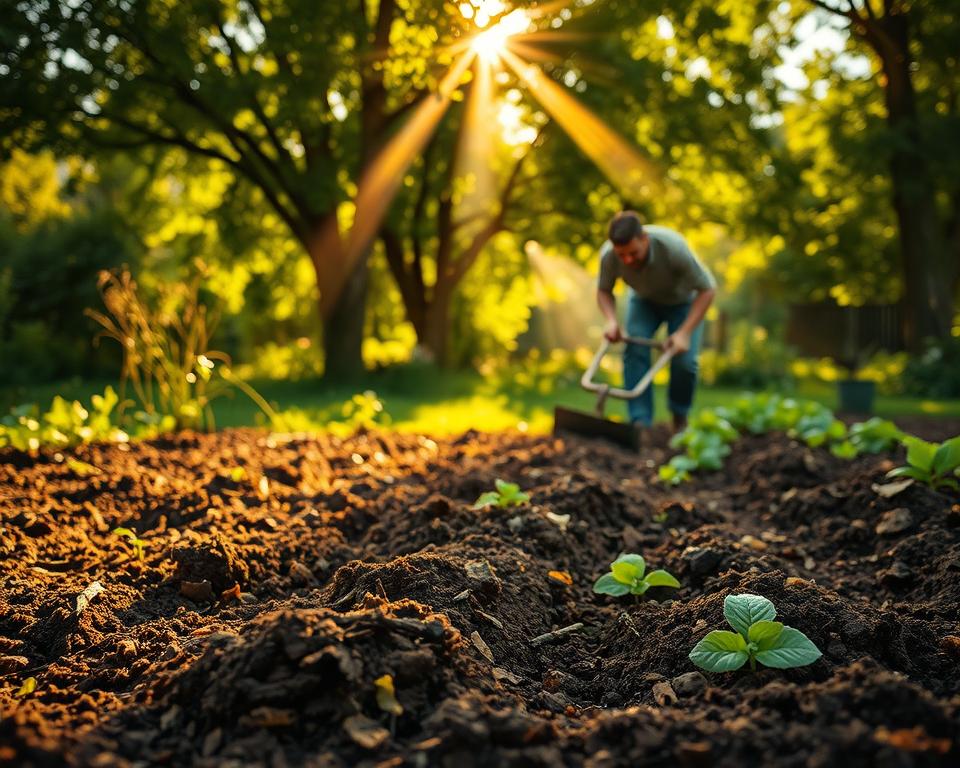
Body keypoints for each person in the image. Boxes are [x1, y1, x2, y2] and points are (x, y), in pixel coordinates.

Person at [596, 210, 716, 431]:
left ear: (645, 239)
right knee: (634, 349)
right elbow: (604, 291)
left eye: (633, 253)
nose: (627, 260)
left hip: (683, 303)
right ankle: (640, 423)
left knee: (685, 362)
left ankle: (679, 417)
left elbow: (707, 290)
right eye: (622, 255)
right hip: (643, 302)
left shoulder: (673, 248)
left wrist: (684, 333)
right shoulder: (609, 256)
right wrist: (611, 321)